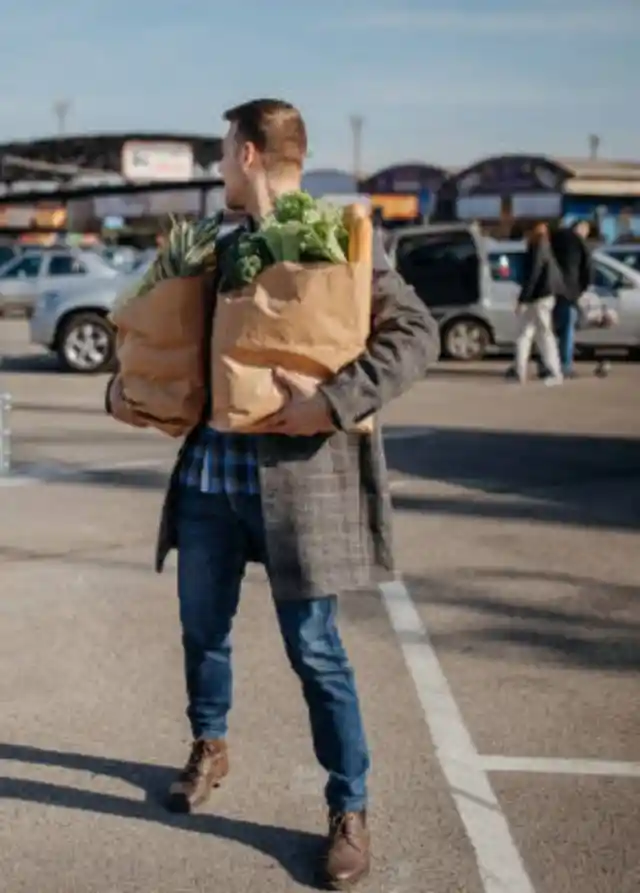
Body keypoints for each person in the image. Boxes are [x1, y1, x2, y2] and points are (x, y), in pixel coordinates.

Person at [107, 98, 439, 889]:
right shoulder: (215, 243)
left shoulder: (344, 241)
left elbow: (415, 332)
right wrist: (125, 391)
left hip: (298, 487)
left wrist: (328, 404)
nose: (220, 165)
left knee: (317, 652)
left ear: (249, 154)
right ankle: (209, 744)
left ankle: (348, 809)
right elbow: (164, 340)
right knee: (202, 632)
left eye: (225, 150)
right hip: (209, 483)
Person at [513, 222, 564, 385]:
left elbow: (532, 275)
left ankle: (520, 371)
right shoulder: (544, 246)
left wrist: (523, 299)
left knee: (527, 334)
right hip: (543, 296)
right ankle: (554, 372)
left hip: (537, 297)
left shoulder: (537, 247)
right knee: (543, 335)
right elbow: (541, 274)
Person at [548, 219, 592, 378]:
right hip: (569, 292)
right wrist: (581, 289)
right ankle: (565, 365)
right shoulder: (579, 242)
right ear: (582, 229)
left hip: (550, 290)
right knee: (567, 330)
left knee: (548, 330)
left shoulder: (553, 238)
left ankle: (547, 364)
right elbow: (588, 268)